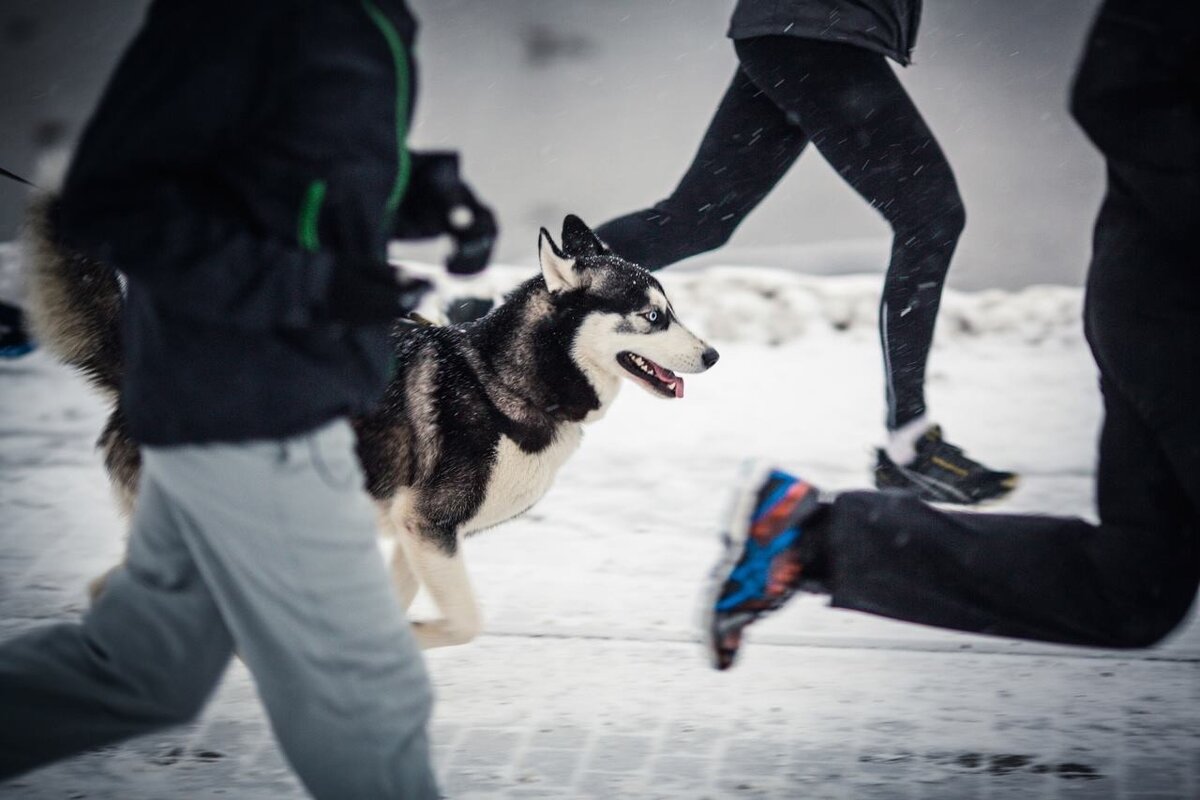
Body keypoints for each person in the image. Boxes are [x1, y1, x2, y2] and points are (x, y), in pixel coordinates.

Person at [0, 1, 495, 797]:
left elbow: (275, 177)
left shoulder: (366, 18)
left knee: (140, 669)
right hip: (248, 405)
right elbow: (112, 202)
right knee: (367, 698)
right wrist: (314, 286)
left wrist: (415, 193)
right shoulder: (243, 17)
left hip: (265, 394)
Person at [703, 0, 1200, 670]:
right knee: (926, 217)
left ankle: (813, 536)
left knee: (1134, 589)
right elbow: (1123, 83)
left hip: (1152, 299)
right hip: (1171, 307)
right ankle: (901, 446)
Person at [595, 0, 1015, 504]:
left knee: (698, 221)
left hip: (791, 28)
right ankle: (910, 444)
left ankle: (525, 309)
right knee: (931, 219)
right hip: (820, 31)